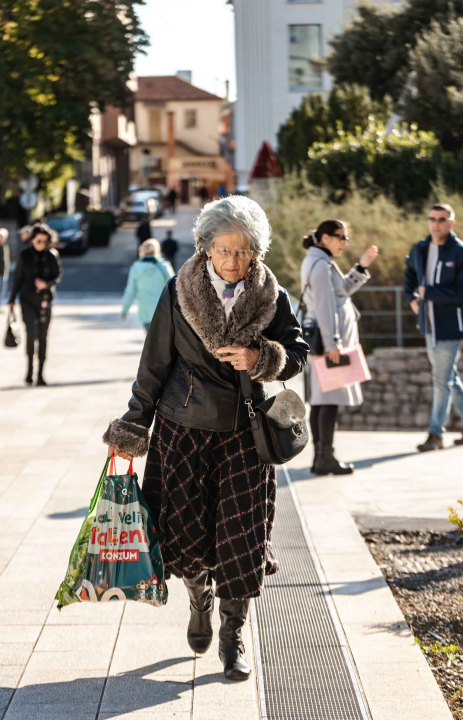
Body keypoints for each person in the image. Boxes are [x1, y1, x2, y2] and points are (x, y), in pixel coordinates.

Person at [103, 196, 308, 682]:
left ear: (255, 252)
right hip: (183, 432)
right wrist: (134, 426)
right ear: (205, 248)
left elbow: (298, 351)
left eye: (242, 252)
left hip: (243, 434)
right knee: (186, 538)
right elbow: (153, 366)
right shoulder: (178, 291)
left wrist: (261, 357)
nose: (233, 261)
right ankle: (200, 599)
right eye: (223, 251)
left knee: (241, 539)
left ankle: (234, 638)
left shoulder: (270, 295)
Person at [403, 203, 463, 452]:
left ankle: (435, 434)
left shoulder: (461, 252)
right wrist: (412, 298)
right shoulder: (419, 248)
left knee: (440, 379)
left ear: (451, 223)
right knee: (447, 376)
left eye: (441, 219)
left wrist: (429, 293)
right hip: (428, 324)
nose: (436, 223)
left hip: (451, 327)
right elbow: (409, 276)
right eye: (432, 219)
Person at [300, 220, 379, 474]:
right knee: (328, 401)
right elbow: (324, 305)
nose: (345, 242)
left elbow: (340, 293)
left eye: (346, 237)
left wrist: (360, 267)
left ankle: (320, 458)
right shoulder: (321, 264)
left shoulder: (319, 261)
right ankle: (325, 458)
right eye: (340, 237)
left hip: (324, 338)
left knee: (321, 401)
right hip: (326, 341)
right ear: (324, 238)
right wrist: (333, 342)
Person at [8, 224, 62, 386]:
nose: (41, 244)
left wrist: (46, 284)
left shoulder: (51, 255)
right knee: (31, 335)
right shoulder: (25, 255)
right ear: (32, 239)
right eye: (38, 240)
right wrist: (11, 299)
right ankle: (29, 372)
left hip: (45, 301)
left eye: (44, 241)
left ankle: (40, 374)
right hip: (27, 300)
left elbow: (57, 276)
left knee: (43, 337)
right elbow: (17, 277)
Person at [121, 239, 175, 332]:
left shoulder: (136, 268)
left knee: (150, 341)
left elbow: (130, 291)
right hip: (162, 310)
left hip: (145, 311)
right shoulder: (164, 266)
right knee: (163, 342)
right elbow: (174, 287)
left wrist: (124, 311)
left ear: (142, 251)